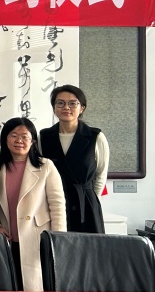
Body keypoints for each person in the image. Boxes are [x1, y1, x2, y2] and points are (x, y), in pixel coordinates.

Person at [0, 117, 66, 291]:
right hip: (6, 238)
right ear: (5, 139)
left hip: (38, 237)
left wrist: (58, 239)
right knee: (9, 289)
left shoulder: (46, 166)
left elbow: (57, 205)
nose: (19, 140)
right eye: (14, 135)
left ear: (32, 141)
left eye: (25, 136)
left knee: (35, 290)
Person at [39, 84, 110, 234]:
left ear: (82, 108)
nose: (66, 107)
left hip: (86, 206)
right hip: (54, 204)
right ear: (54, 108)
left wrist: (93, 201)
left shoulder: (95, 137)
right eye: (60, 103)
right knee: (57, 246)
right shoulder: (44, 137)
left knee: (89, 247)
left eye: (72, 103)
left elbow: (101, 174)